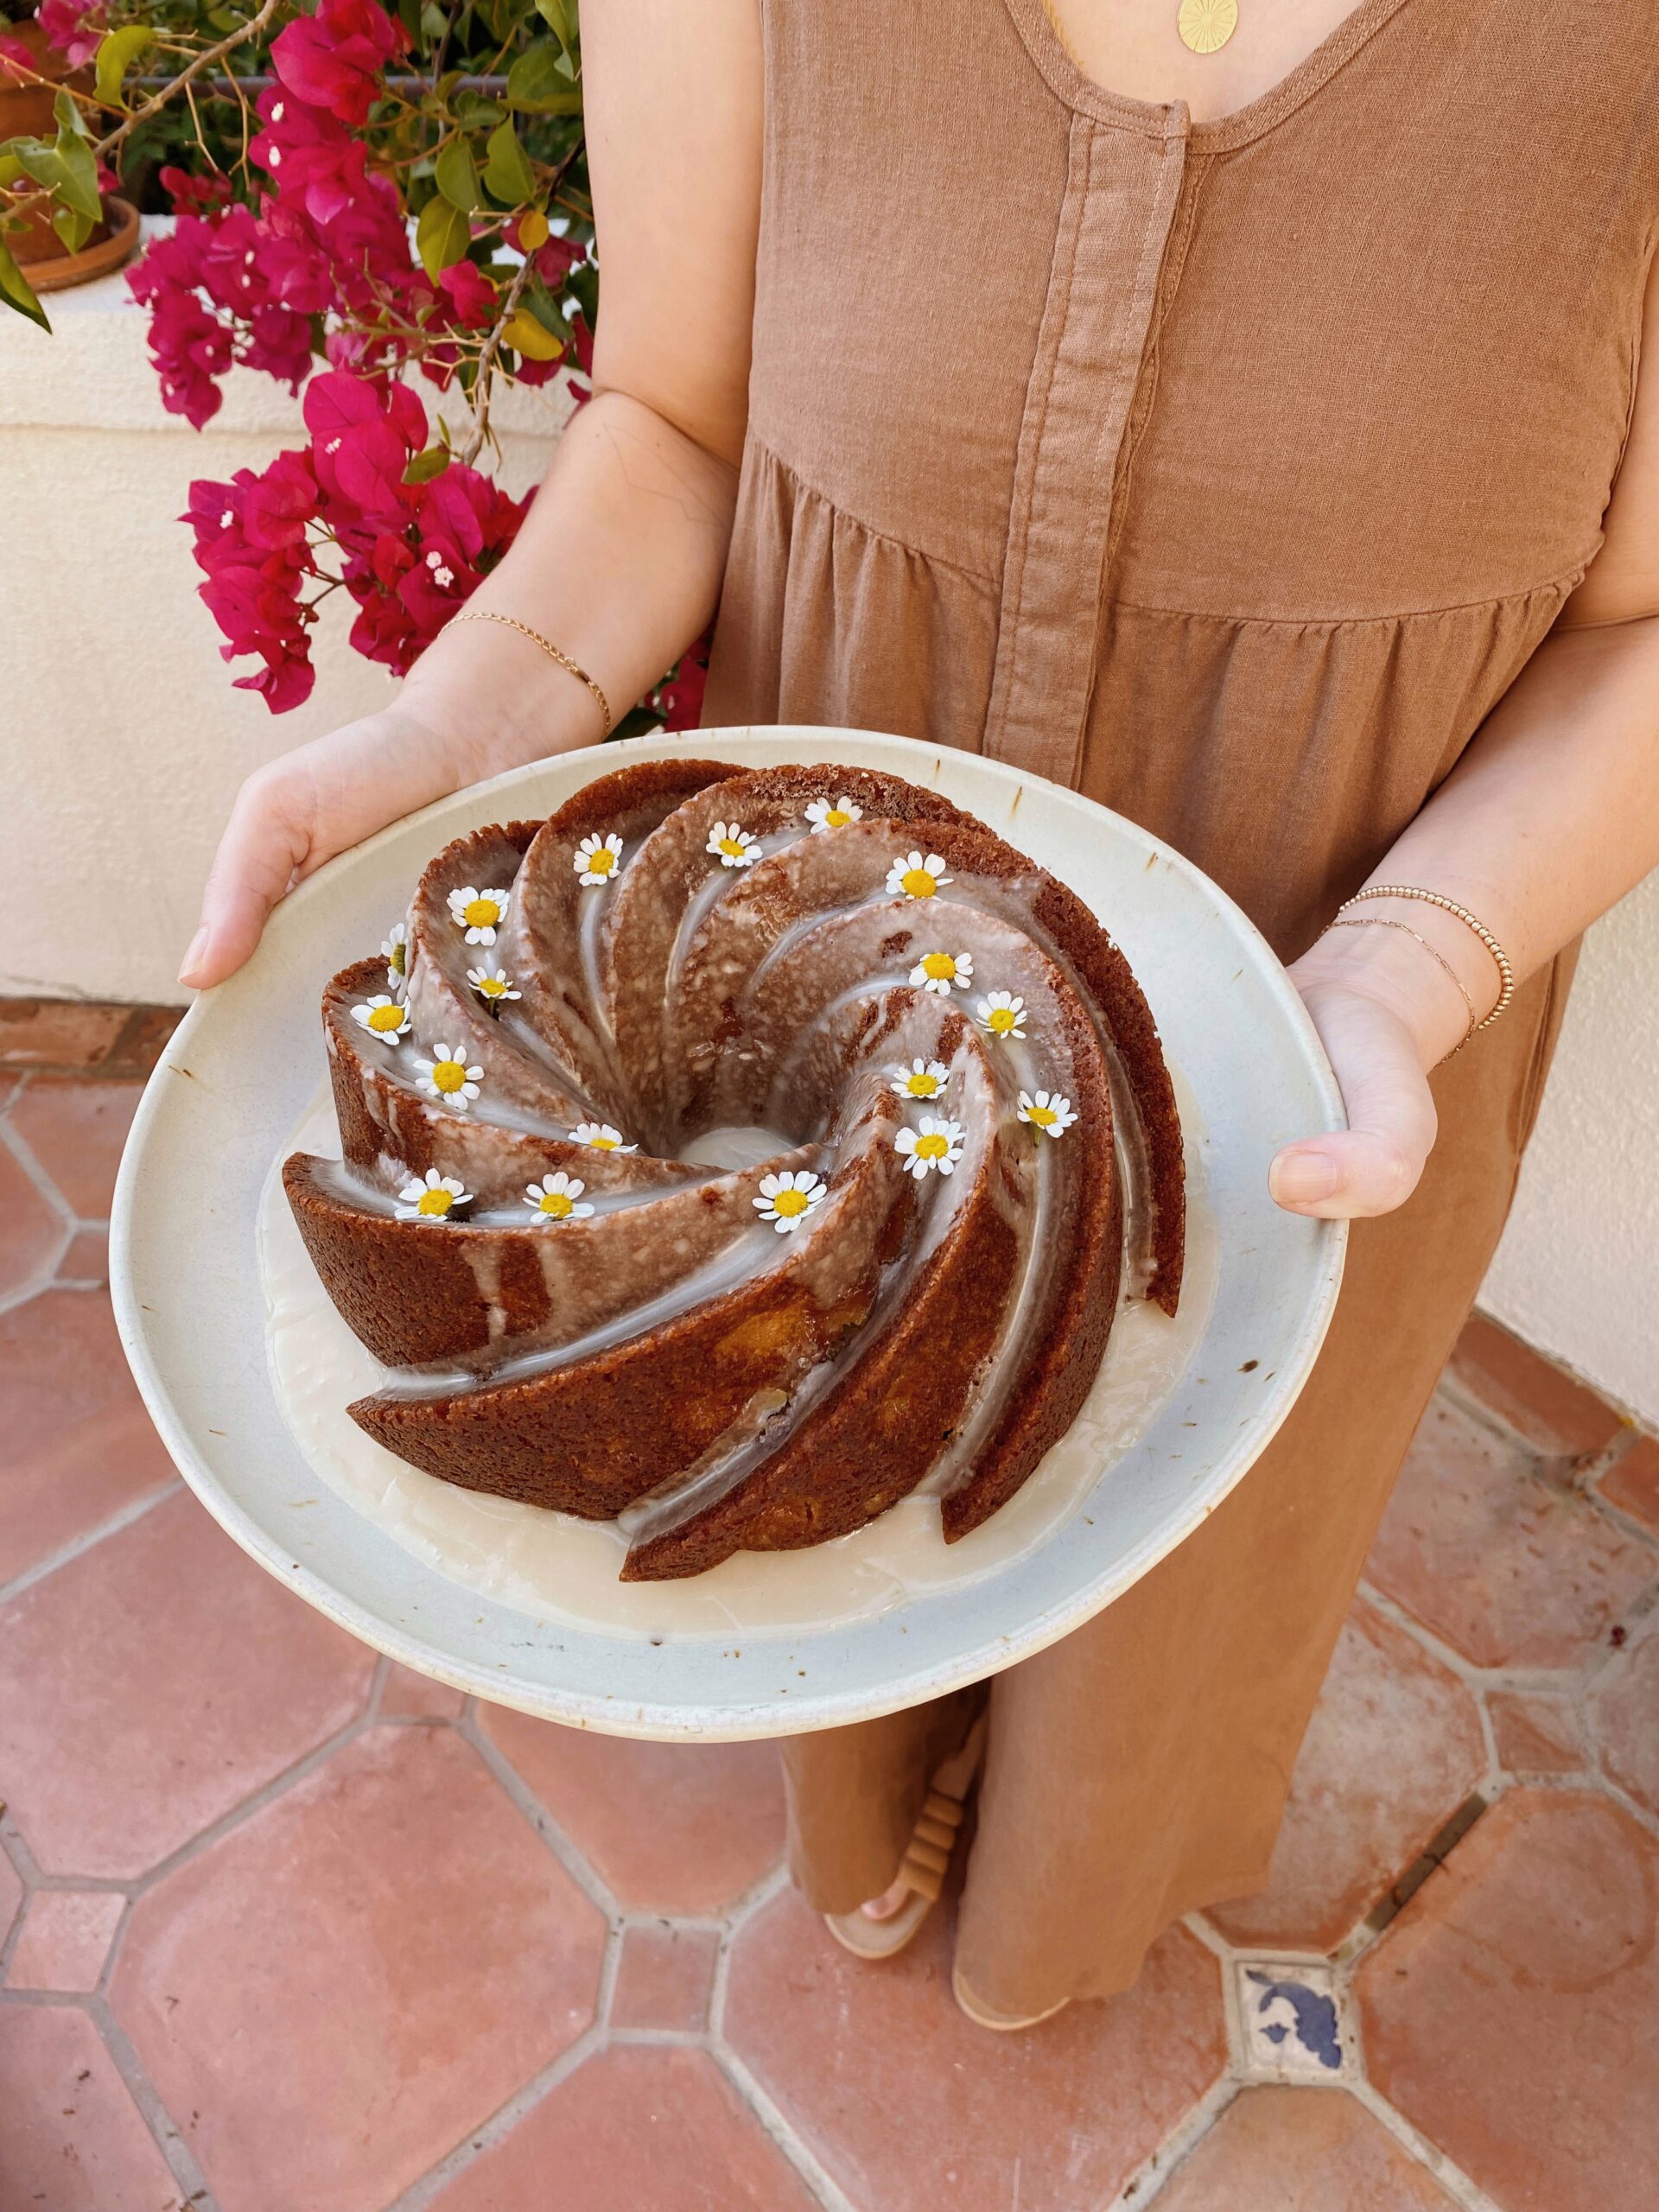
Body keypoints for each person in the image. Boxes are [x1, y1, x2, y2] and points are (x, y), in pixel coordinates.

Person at [179, 0, 1659, 2029]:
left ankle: (1064, 1914)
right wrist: (456, 726)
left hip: (1325, 1028)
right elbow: (682, 416)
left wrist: (1403, 964)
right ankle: (870, 1806)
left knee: (1178, 1580)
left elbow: (1644, 627)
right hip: (782, 1008)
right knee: (794, 1431)